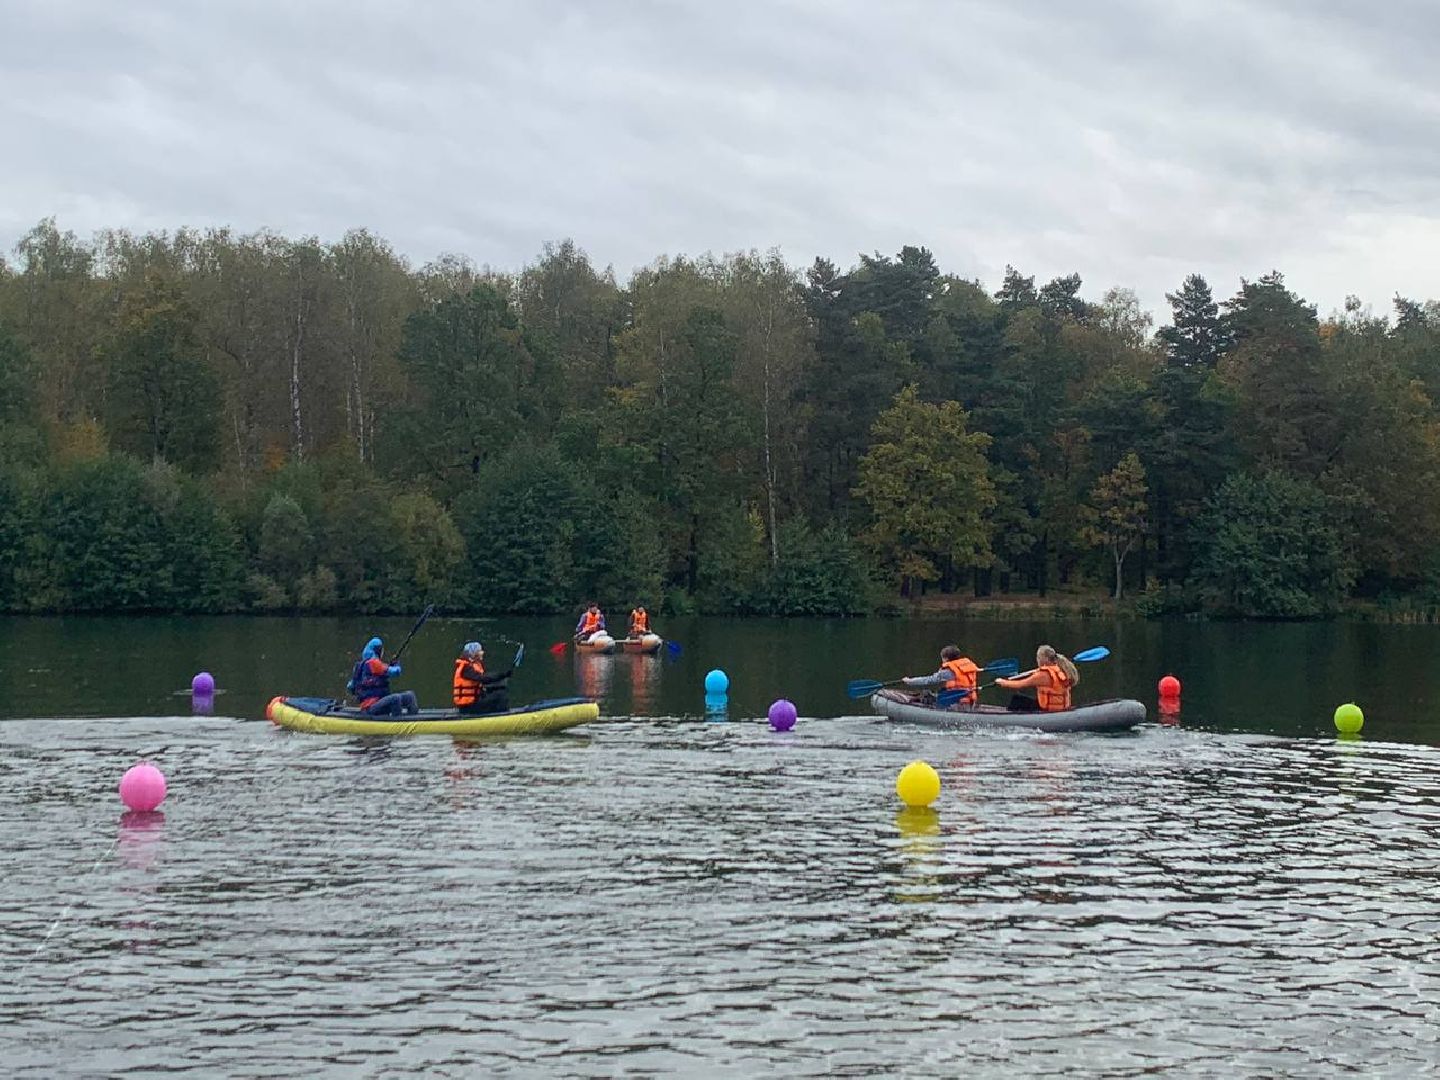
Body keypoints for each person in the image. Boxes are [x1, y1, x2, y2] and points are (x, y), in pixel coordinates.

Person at [347, 636, 419, 716]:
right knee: (395, 698)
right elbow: (396, 672)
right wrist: (397, 664)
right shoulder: (374, 663)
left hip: (380, 703)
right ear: (379, 651)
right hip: (370, 708)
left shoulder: (361, 666)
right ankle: (397, 721)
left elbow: (350, 686)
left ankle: (413, 719)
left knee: (409, 696)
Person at [995, 645, 1079, 712]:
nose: (1037, 660)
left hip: (1048, 709)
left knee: (1016, 699)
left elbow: (1020, 684)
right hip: (1061, 707)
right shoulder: (1061, 669)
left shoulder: (1043, 675)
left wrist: (1002, 682)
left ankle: (1009, 718)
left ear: (1044, 659)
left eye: (1038, 657)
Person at [901, 645, 980, 708]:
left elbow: (929, 680)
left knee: (927, 696)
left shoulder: (948, 671)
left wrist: (910, 681)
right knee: (937, 694)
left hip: (955, 703)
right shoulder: (967, 668)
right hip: (970, 702)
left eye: (942, 658)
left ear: (946, 659)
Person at [452, 641, 513, 715]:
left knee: (500, 690)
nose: (482, 652)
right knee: (499, 695)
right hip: (467, 707)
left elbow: (484, 680)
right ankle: (503, 716)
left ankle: (500, 713)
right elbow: (483, 678)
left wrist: (502, 677)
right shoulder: (466, 668)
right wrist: (501, 675)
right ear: (473, 654)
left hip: (473, 703)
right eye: (479, 651)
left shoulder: (472, 665)